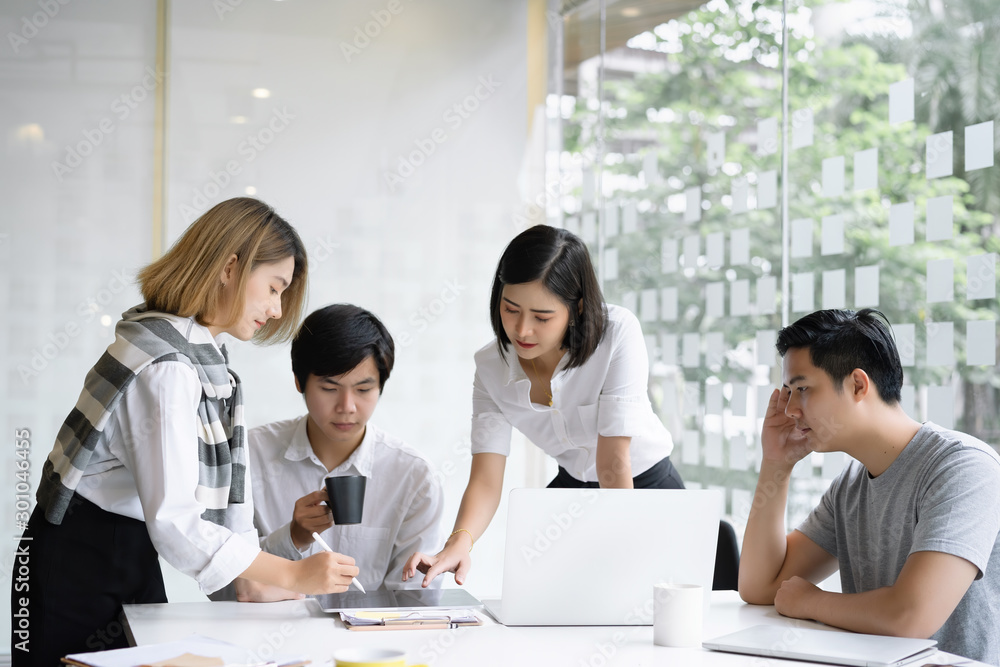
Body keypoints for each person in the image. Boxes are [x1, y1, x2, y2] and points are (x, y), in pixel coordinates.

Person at [12, 198, 358, 666]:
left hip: (122, 552)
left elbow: (227, 516)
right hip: (79, 562)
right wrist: (294, 577)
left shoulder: (202, 358)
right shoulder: (168, 366)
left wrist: (258, 578)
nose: (277, 310)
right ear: (231, 267)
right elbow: (177, 522)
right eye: (274, 288)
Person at [404, 225, 681, 587]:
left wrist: (620, 549)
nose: (522, 330)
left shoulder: (617, 334)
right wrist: (459, 542)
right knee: (540, 601)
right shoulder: (491, 367)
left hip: (642, 488)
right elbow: (486, 477)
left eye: (542, 317)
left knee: (642, 609)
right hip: (572, 490)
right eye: (510, 309)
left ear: (577, 307)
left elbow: (614, 462)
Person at [738, 308, 1000, 665]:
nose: (790, 411)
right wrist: (776, 465)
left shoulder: (963, 466)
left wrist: (810, 601)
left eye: (802, 389)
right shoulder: (850, 485)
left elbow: (910, 616)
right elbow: (761, 587)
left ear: (858, 385)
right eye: (788, 393)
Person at [248, 304, 444, 592]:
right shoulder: (250, 455)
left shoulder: (414, 477)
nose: (347, 407)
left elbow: (413, 600)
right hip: (262, 634)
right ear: (299, 382)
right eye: (329, 389)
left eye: (364, 390)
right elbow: (221, 584)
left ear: (381, 387)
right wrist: (293, 538)